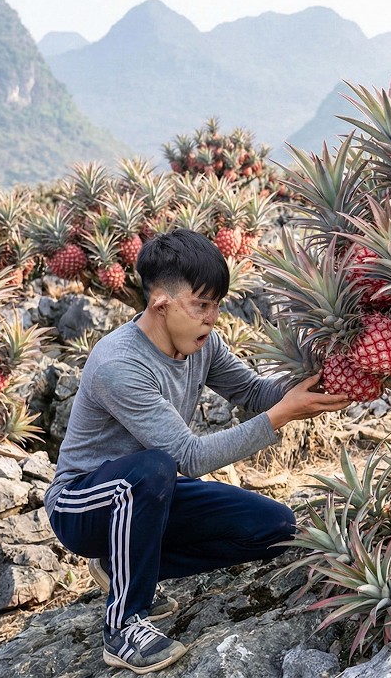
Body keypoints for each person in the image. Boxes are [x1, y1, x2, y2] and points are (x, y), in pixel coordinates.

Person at [44, 229, 352, 673]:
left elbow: (251, 390)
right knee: (154, 468)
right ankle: (124, 626)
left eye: (217, 305)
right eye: (201, 305)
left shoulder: (204, 346)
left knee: (275, 527)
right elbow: (187, 457)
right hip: (83, 503)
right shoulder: (119, 363)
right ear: (160, 304)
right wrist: (282, 416)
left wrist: (317, 384)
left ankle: (125, 567)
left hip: (153, 493)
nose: (211, 318)